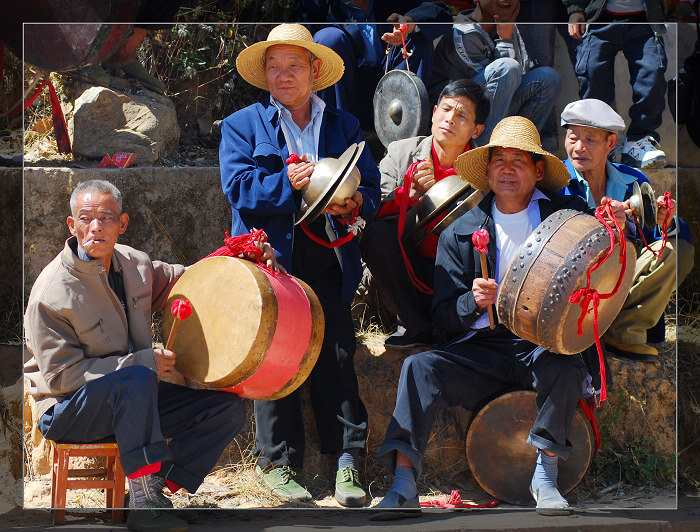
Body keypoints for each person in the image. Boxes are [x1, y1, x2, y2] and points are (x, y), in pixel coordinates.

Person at [373, 116, 627, 515]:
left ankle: (544, 474)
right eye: (498, 161)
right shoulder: (461, 229)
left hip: (542, 344)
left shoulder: (567, 215)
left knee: (565, 366)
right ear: (487, 170)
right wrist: (471, 302)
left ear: (538, 169)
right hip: (483, 349)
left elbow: (602, 271)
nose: (507, 169)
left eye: (519, 161)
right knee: (419, 368)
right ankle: (403, 482)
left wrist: (618, 229)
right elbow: (443, 314)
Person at [23, 180, 279, 532]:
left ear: (123, 224)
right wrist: (141, 362)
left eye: (106, 218)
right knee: (140, 376)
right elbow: (62, 379)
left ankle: (154, 490)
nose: (95, 227)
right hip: (70, 409)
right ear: (71, 225)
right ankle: (144, 504)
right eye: (85, 218)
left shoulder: (136, 265)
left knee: (224, 409)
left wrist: (244, 257)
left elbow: (193, 280)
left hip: (133, 399)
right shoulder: (50, 294)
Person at [218, 24, 381, 507]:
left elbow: (370, 188)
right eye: (274, 66)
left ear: (315, 71)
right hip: (270, 256)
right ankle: (277, 463)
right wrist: (287, 184)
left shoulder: (345, 126)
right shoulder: (242, 125)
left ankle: (348, 460)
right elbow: (240, 189)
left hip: (328, 251)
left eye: (294, 66)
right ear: (264, 73)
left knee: (335, 352)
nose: (283, 75)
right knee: (275, 355)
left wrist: (351, 206)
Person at [360, 79, 490, 349]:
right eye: (445, 109)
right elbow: (370, 210)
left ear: (477, 129)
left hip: (458, 273)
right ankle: (414, 326)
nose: (450, 119)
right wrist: (409, 199)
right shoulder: (401, 153)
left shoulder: (484, 170)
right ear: (433, 113)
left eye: (462, 114)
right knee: (377, 235)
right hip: (410, 267)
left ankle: (460, 324)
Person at [560, 98, 694, 360]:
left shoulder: (634, 181)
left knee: (678, 247)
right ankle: (594, 329)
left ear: (611, 143)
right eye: (572, 137)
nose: (579, 147)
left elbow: (655, 241)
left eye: (590, 140)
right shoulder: (556, 182)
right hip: (575, 288)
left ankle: (623, 330)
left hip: (620, 284)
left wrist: (662, 220)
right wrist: (601, 226)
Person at [295, 0, 453, 128]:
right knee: (329, 39)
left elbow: (441, 13)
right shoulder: (316, 6)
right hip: (341, 95)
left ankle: (404, 137)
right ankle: (333, 135)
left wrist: (409, 23)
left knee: (417, 36)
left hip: (390, 98)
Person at [429, 0, 562, 152]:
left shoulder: (507, 26)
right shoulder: (464, 32)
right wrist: (505, 40)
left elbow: (509, 83)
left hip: (490, 106)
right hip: (459, 115)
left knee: (548, 78)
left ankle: (516, 148)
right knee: (507, 68)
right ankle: (483, 153)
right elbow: (496, 82)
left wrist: (507, 36)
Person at [564, 0, 669, 168]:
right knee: (593, 78)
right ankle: (601, 143)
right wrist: (575, 8)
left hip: (645, 19)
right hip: (599, 18)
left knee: (652, 74)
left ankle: (639, 141)